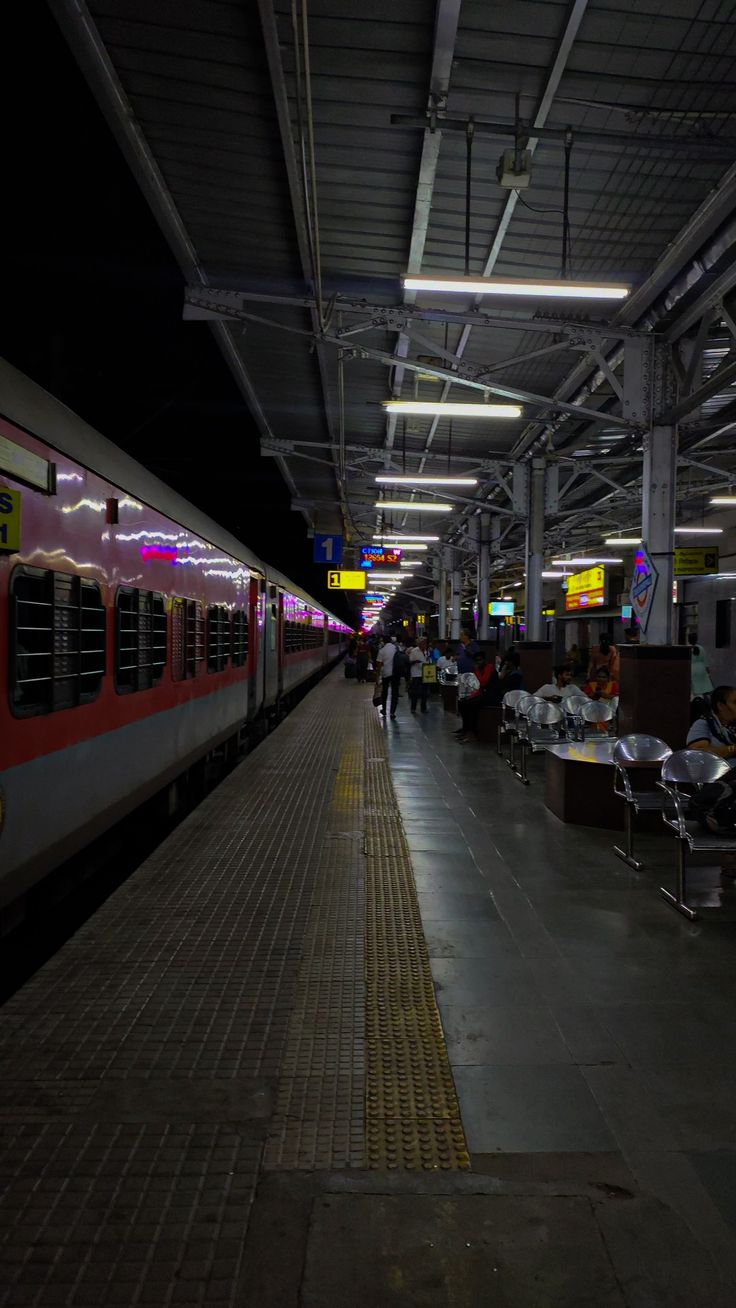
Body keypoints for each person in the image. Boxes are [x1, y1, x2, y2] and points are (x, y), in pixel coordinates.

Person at [454, 651, 499, 742]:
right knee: (463, 703)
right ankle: (465, 729)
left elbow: (483, 682)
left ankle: (473, 733)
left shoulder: (489, 668)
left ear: (484, 660)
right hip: (485, 695)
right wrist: (471, 696)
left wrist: (477, 671)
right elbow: (480, 688)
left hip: (493, 696)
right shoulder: (481, 669)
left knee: (471, 705)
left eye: (480, 660)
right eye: (476, 661)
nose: (478, 662)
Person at [687, 685, 736, 764]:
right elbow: (698, 754)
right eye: (735, 702)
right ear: (721, 706)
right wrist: (733, 749)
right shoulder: (703, 723)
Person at [376, 636, 399, 719]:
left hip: (385, 673)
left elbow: (378, 665)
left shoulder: (382, 650)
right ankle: (392, 712)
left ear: (383, 641)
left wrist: (377, 677)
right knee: (394, 693)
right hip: (395, 673)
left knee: (384, 692)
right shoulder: (396, 648)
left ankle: (384, 710)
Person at [408, 637, 430, 713]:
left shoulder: (427, 651)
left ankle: (423, 707)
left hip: (425, 673)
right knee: (415, 692)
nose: (425, 645)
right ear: (420, 644)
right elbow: (409, 662)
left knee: (425, 692)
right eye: (424, 643)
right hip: (416, 674)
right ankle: (413, 708)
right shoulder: (414, 651)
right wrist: (415, 661)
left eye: (426, 643)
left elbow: (427, 661)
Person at [689, 633, 713, 699]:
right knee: (703, 688)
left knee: (694, 688)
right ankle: (703, 700)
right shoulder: (701, 648)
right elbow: (705, 661)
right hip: (701, 669)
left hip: (691, 668)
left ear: (689, 640)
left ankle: (696, 700)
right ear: (696, 639)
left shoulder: (688, 648)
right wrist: (708, 672)